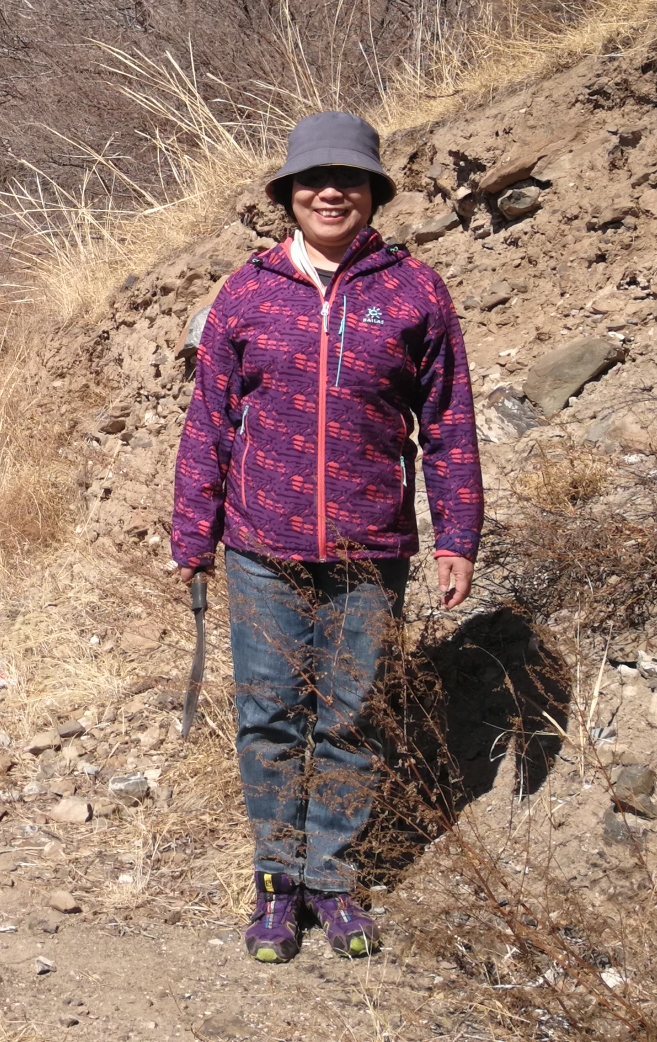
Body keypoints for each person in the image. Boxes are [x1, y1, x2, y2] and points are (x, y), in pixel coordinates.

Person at [171, 111, 483, 964]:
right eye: (313, 181)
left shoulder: (415, 292)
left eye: (349, 179)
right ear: (289, 196)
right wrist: (193, 530)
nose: (330, 192)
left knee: (351, 719)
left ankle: (332, 881)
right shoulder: (246, 292)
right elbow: (209, 422)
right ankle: (276, 882)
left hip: (369, 551)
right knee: (268, 717)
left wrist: (458, 532)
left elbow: (449, 422)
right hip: (261, 547)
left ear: (374, 192)